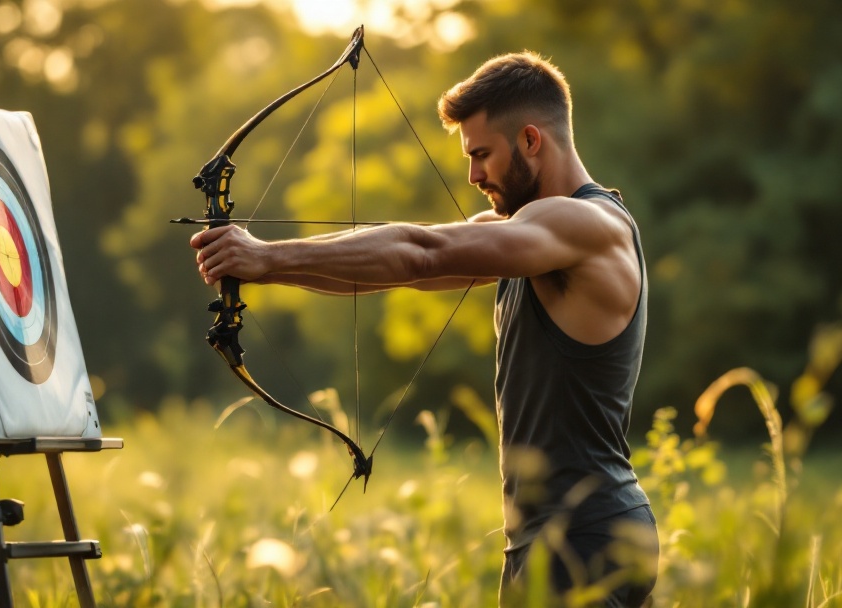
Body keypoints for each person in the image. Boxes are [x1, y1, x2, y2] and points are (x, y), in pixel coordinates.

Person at [191, 51, 658, 606]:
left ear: (531, 140)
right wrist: (266, 268)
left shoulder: (585, 225)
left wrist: (266, 256)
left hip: (582, 539)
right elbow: (400, 273)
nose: (473, 175)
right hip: (557, 539)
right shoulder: (530, 234)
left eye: (482, 154)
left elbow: (422, 252)